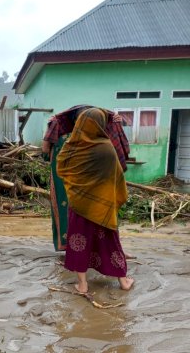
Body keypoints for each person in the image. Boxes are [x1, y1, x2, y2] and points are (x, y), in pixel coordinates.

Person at [56, 108, 134, 292]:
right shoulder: (106, 147)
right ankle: (123, 281)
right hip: (103, 206)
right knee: (110, 242)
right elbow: (117, 177)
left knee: (78, 243)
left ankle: (82, 284)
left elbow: (61, 168)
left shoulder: (71, 145)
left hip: (79, 205)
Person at [42, 105, 129, 251]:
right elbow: (118, 164)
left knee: (82, 218)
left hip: (78, 188)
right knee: (95, 217)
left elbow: (49, 153)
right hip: (94, 188)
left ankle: (82, 251)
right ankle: (96, 250)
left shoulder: (74, 139)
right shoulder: (101, 141)